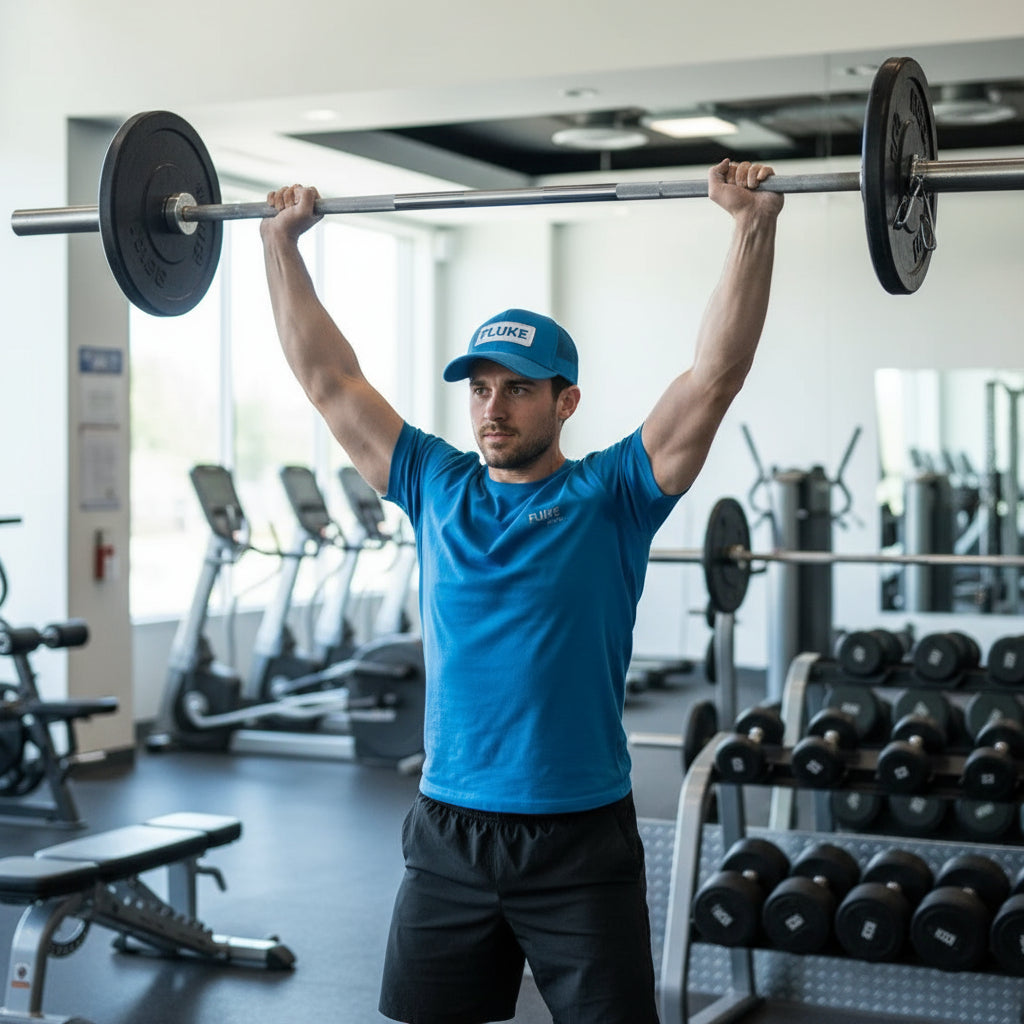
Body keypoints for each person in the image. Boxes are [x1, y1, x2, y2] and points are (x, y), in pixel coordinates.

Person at [261, 158, 783, 1024]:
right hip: (448, 833)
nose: (492, 409)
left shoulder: (612, 494)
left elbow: (712, 379)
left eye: (517, 389)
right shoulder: (435, 484)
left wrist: (751, 226)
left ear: (565, 401)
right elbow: (329, 382)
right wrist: (280, 246)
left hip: (579, 838)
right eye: (480, 389)